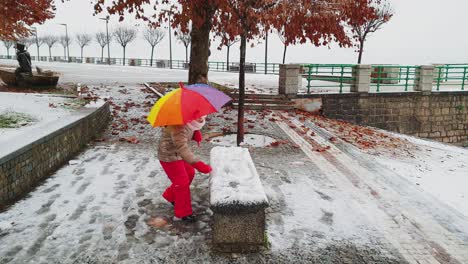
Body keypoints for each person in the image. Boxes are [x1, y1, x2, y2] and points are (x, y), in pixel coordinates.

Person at [158, 116, 212, 222]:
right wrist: (198, 164)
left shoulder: (189, 122)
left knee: (190, 173)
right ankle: (183, 213)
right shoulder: (178, 126)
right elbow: (183, 148)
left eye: (203, 115)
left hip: (178, 154)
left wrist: (194, 133)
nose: (201, 119)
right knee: (181, 182)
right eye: (198, 117)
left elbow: (187, 132)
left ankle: (170, 195)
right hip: (168, 155)